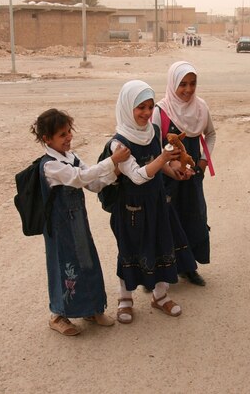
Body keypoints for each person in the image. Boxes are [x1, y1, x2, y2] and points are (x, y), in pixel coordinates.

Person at [31, 108, 130, 336]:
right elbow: (79, 178)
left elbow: (92, 184)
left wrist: (115, 171)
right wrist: (111, 161)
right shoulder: (49, 165)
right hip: (59, 227)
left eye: (68, 132)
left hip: (78, 224)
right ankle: (58, 315)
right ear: (47, 139)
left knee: (88, 262)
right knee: (63, 266)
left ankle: (92, 309)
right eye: (62, 135)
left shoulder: (71, 157)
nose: (68, 138)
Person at [111, 80, 185, 324]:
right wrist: (164, 157)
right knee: (130, 250)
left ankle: (160, 296)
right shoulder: (119, 142)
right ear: (127, 107)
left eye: (150, 106)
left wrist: (174, 171)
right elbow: (137, 175)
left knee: (161, 244)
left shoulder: (151, 132)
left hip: (156, 202)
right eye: (140, 107)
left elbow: (156, 163)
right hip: (131, 208)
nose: (146, 112)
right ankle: (125, 299)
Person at [153, 61, 216, 287]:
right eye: (182, 84)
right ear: (172, 84)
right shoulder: (160, 111)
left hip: (192, 178)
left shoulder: (200, 108)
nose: (188, 90)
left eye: (192, 84)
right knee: (168, 221)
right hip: (167, 179)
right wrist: (172, 169)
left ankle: (189, 267)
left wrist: (201, 165)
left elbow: (210, 135)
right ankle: (162, 273)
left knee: (193, 217)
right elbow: (153, 147)